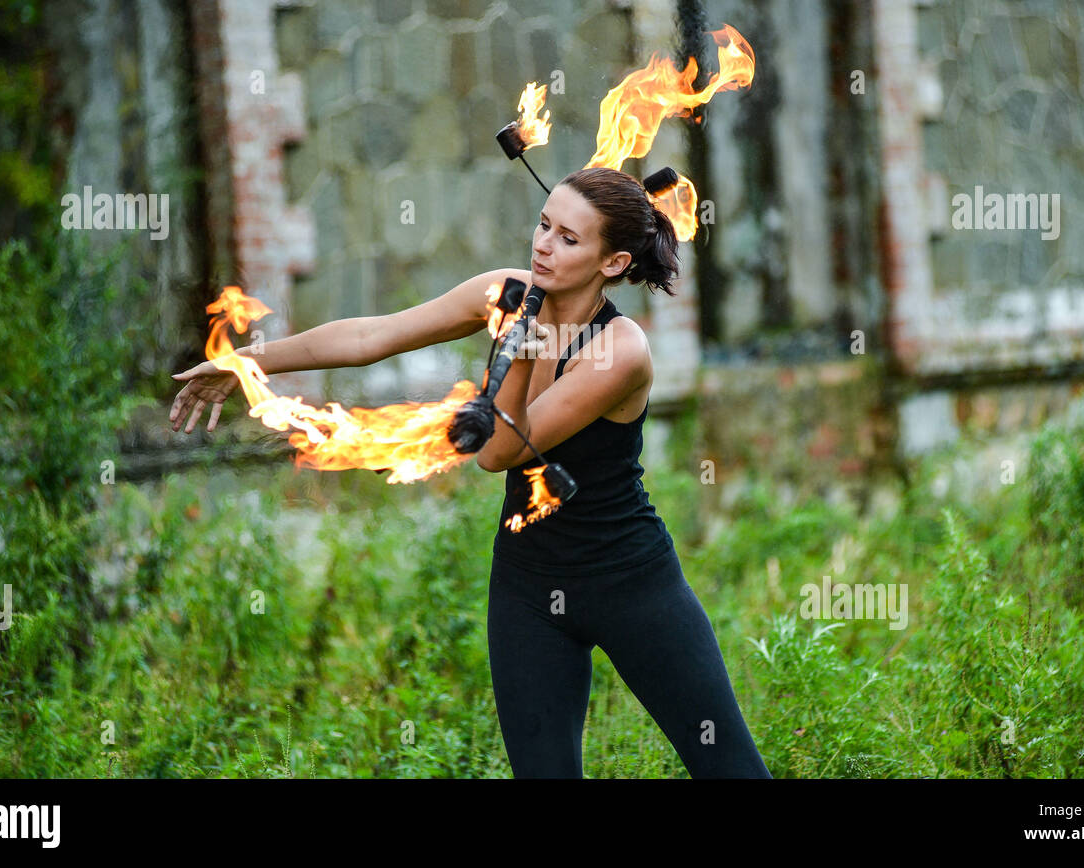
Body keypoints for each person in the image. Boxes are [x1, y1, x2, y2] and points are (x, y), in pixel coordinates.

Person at [169, 166, 771, 778]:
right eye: (543, 225)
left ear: (612, 263)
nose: (542, 244)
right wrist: (247, 362)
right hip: (529, 588)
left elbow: (501, 452)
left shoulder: (620, 351)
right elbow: (373, 336)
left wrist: (527, 341)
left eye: (568, 238)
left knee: (729, 769)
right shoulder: (505, 292)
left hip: (631, 582)